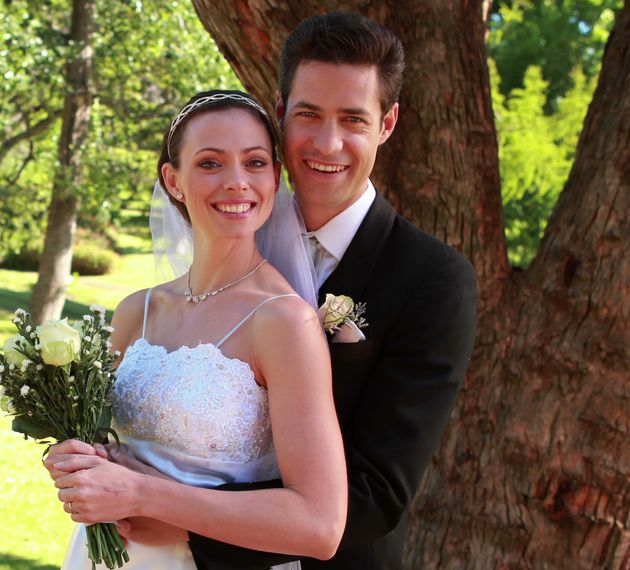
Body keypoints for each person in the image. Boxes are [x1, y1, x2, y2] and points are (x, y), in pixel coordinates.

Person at [180, 12, 479, 570]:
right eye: (309, 115)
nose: (328, 142)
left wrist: (178, 523)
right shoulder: (234, 230)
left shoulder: (433, 280)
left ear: (387, 123)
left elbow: (377, 493)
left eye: (353, 120)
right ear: (280, 110)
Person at [44, 89, 348, 569]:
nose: (236, 183)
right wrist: (75, 460)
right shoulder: (135, 312)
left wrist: (145, 496)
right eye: (210, 163)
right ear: (174, 180)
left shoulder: (284, 323)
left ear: (274, 177)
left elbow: (319, 525)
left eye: (254, 163)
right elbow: (106, 451)